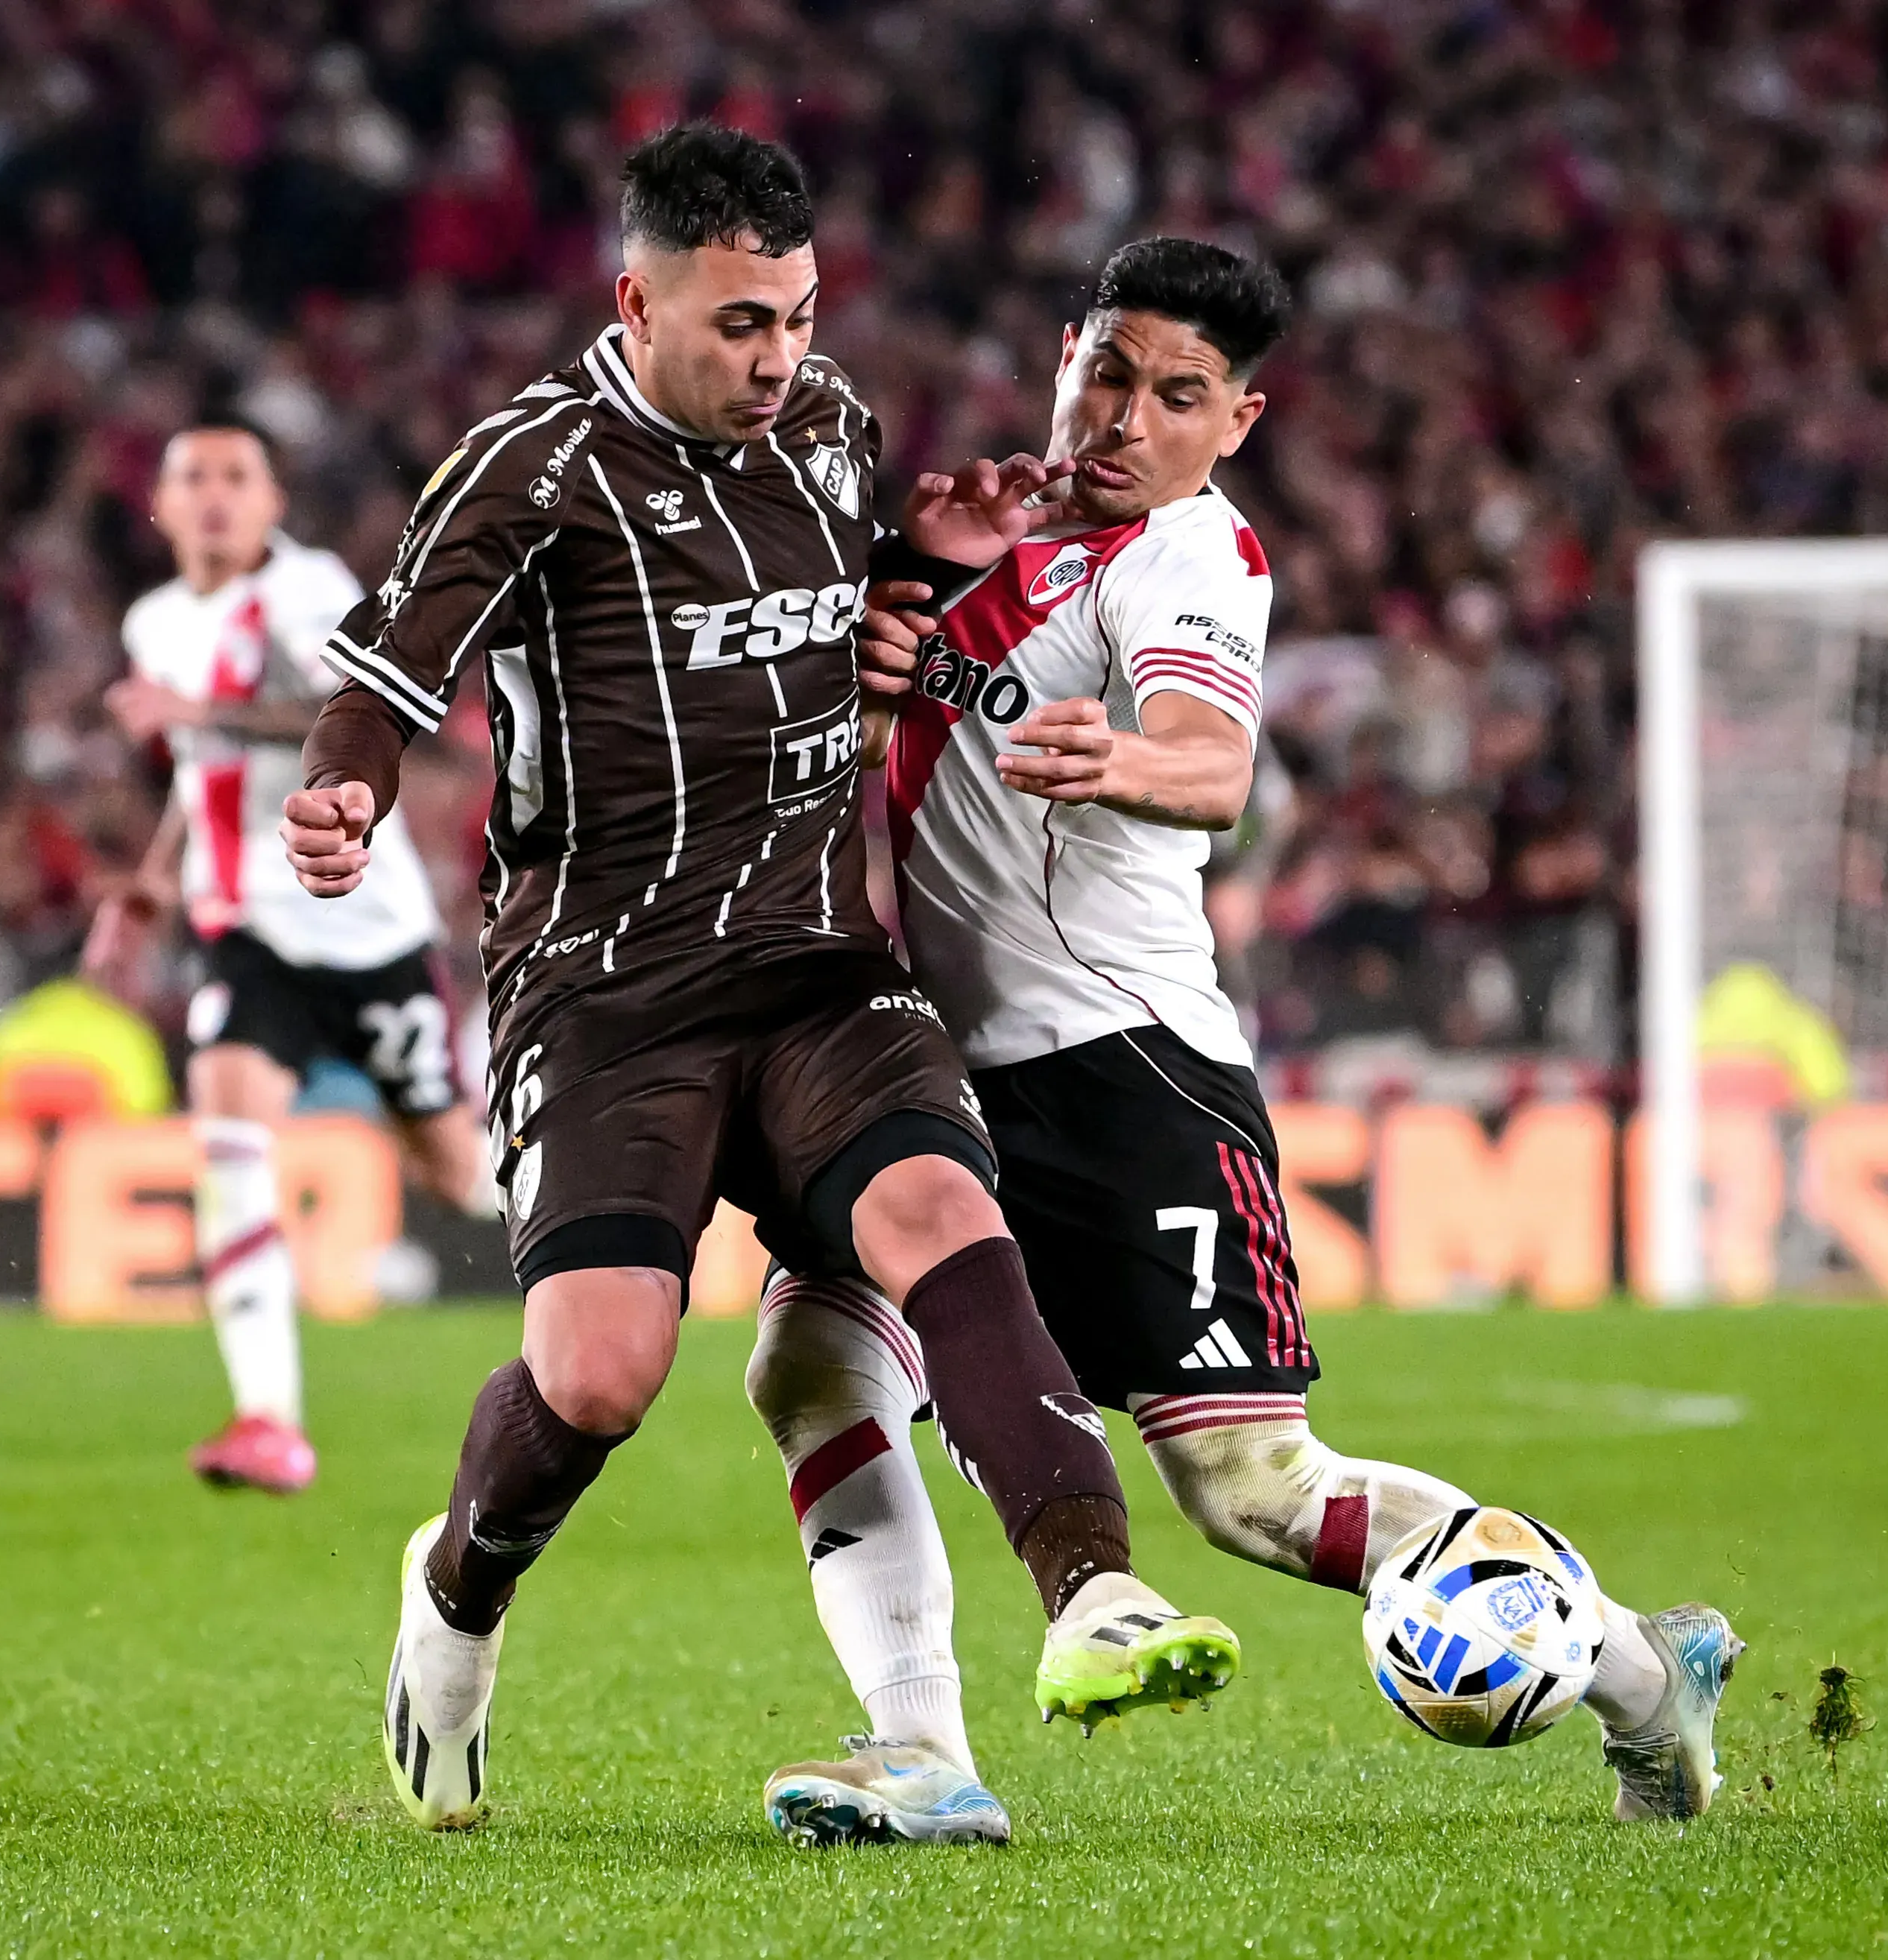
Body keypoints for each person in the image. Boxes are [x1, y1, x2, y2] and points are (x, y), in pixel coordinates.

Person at [280, 124, 1242, 1833]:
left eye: (795, 316)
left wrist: (926, 566)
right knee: (597, 1375)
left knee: (943, 1215)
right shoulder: (528, 463)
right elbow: (393, 658)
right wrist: (348, 781)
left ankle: (1092, 1590)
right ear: (634, 298)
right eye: (736, 324)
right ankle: (454, 1598)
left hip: (815, 964)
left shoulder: (829, 425)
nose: (775, 357)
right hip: (605, 993)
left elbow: (861, 618)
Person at [748, 239, 1743, 1845]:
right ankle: (918, 1753)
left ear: (1240, 419)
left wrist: (1106, 757)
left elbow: (1209, 760)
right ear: (1064, 349)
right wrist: (904, 621)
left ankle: (1639, 1670)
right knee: (808, 1359)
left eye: (1180, 396)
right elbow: (885, 758)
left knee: (1248, 1494)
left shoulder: (1191, 560)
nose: (1128, 417)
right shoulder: (996, 532)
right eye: (1112, 373)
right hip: (930, 1067)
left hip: (1119, 1071)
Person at [83, 420, 491, 1495]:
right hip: (248, 928)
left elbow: (344, 712)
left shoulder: (310, 590)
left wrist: (197, 710)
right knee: (225, 1126)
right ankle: (271, 1419)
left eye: (237, 476)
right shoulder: (157, 620)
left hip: (367, 928)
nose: (214, 495)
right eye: (192, 478)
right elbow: (193, 764)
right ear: (161, 505)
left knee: (459, 1178)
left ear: (272, 503)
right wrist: (155, 879)